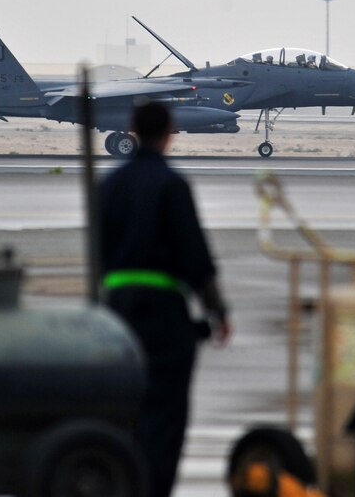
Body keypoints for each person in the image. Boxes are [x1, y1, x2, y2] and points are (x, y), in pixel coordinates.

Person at [98, 102, 231, 497]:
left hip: (116, 312)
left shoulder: (109, 184)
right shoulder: (173, 185)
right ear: (170, 132)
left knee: (119, 412)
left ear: (132, 129)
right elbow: (195, 256)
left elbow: (98, 251)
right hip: (164, 316)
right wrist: (218, 311)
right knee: (166, 419)